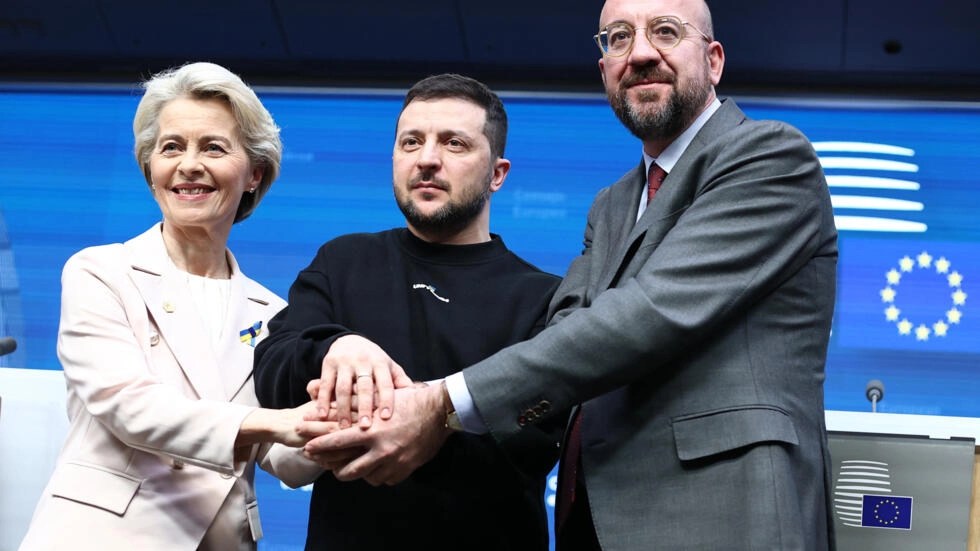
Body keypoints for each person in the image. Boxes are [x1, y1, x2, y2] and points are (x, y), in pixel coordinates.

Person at [300, 1, 839, 550]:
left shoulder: (769, 156)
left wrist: (441, 404)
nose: (640, 53)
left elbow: (649, 313)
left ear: (714, 60)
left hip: (724, 514)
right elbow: (565, 328)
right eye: (618, 38)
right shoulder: (612, 204)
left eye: (665, 32)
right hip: (599, 519)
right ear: (605, 69)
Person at [252, 73, 563, 550]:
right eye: (411, 142)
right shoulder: (342, 261)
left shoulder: (543, 297)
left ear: (497, 174)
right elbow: (273, 372)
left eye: (454, 143)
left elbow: (537, 438)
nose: (427, 159)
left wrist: (433, 416)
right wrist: (335, 347)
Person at [19, 62, 320, 551]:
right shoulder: (101, 271)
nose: (188, 165)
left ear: (254, 174)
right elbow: (130, 407)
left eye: (213, 147)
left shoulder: (271, 313)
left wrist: (333, 426)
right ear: (151, 169)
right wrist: (276, 422)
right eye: (171, 147)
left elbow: (280, 458)